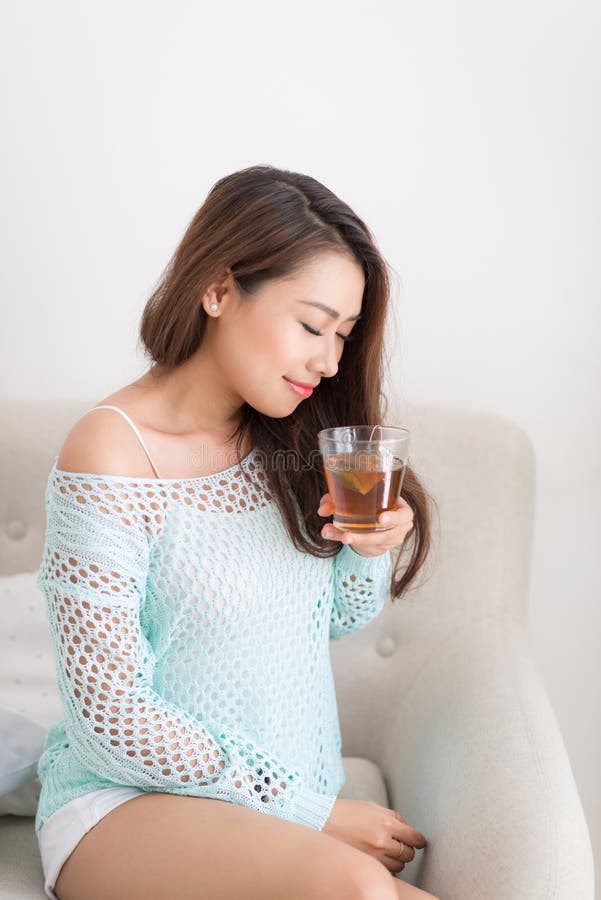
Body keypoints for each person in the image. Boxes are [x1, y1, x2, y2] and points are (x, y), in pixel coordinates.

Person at [35, 164, 439, 900]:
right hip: (129, 806)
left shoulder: (288, 442)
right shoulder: (113, 450)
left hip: (277, 816)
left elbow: (335, 618)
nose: (329, 361)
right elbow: (109, 717)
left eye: (344, 335)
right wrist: (307, 808)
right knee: (360, 892)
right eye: (312, 325)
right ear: (218, 289)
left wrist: (368, 549)